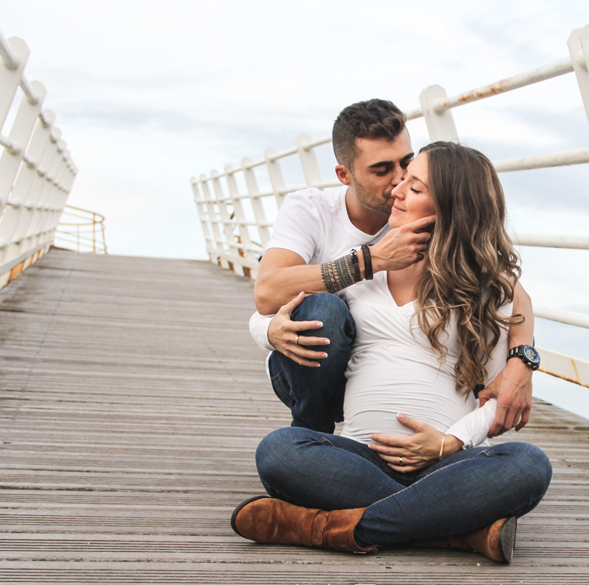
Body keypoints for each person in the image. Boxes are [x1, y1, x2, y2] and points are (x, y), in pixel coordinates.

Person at [233, 142, 552, 563]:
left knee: (529, 464)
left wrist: (450, 443)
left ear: (451, 207)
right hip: (359, 458)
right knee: (279, 450)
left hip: (443, 463)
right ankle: (451, 531)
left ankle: (329, 527)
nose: (397, 191)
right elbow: (274, 309)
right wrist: (269, 330)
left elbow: (495, 395)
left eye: (414, 187)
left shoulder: (490, 291)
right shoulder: (363, 267)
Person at [249, 99, 537, 437]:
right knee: (323, 310)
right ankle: (311, 432)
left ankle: (439, 445)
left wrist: (522, 361)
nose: (399, 180)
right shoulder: (311, 210)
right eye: (381, 170)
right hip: (312, 365)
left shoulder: (419, 211)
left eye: (407, 164)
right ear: (344, 175)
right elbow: (267, 295)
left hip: (396, 377)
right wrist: (373, 260)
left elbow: (506, 289)